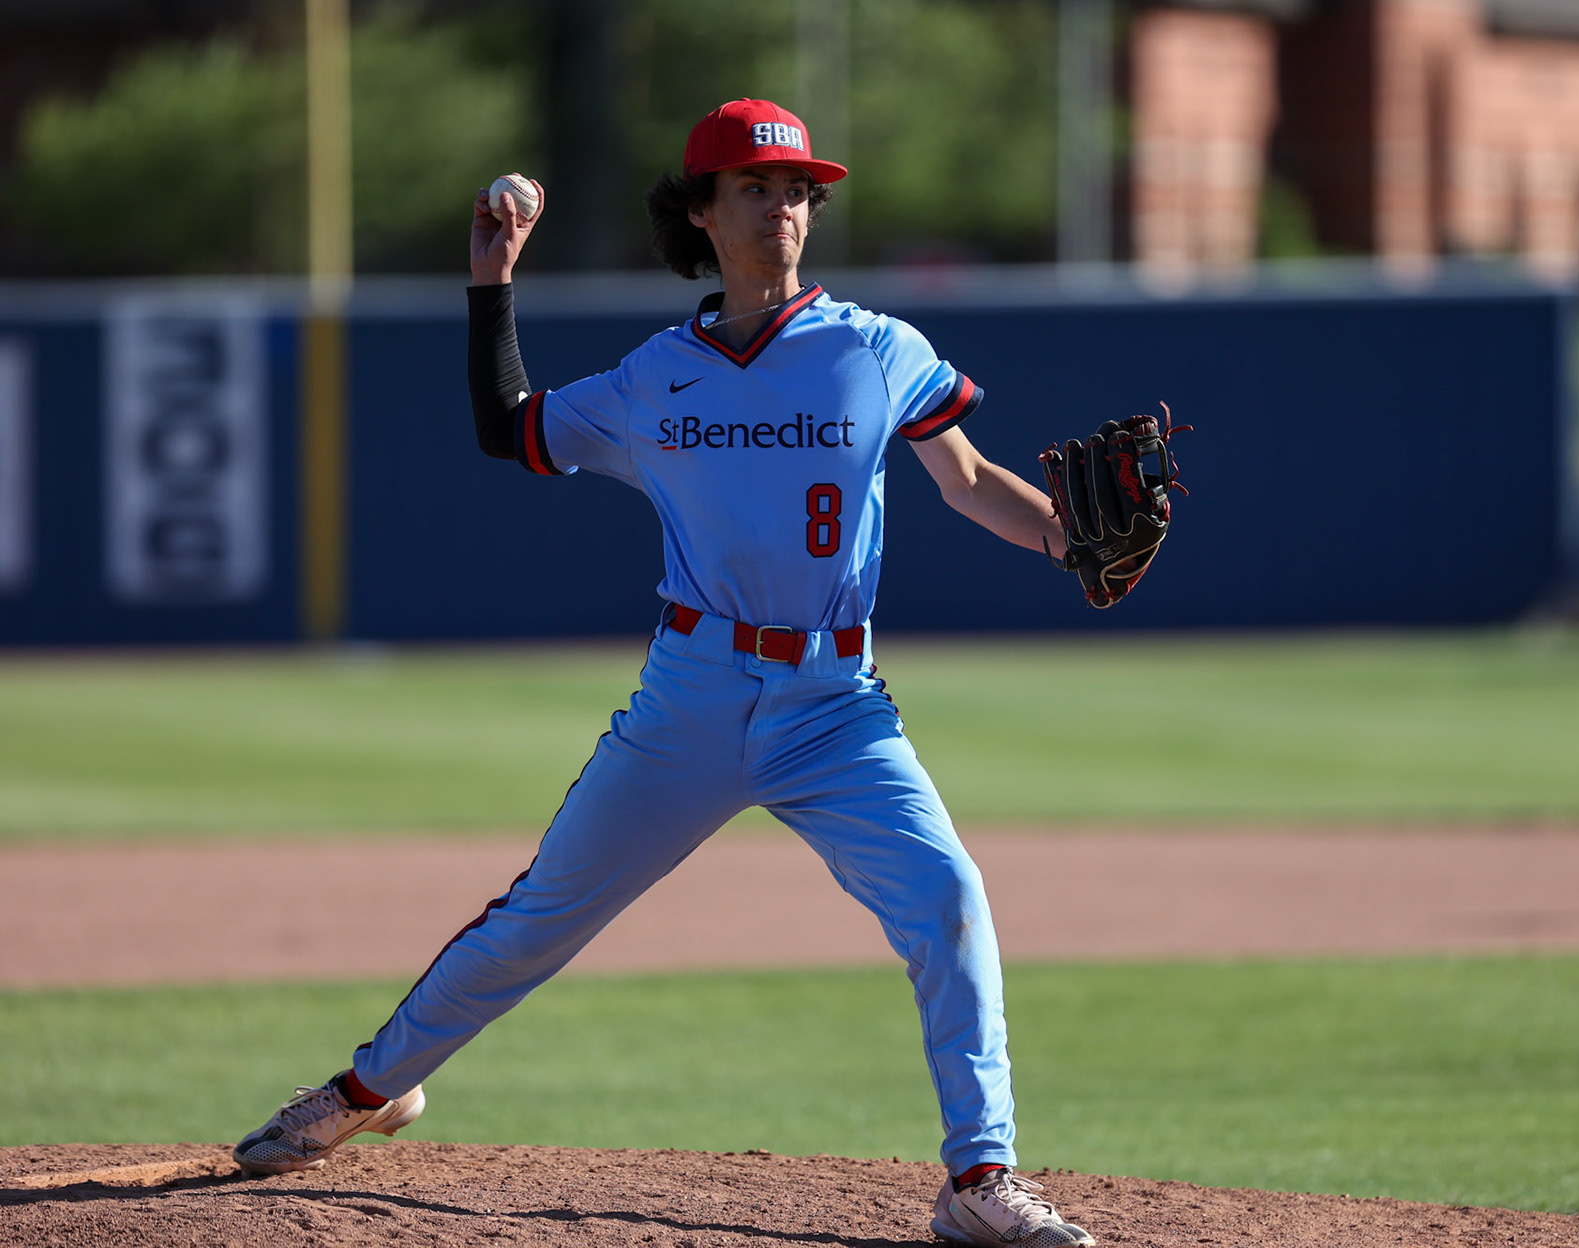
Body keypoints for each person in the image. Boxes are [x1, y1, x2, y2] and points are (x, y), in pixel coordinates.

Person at [232, 98, 1096, 1248]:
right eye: (755, 186)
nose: (785, 206)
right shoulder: (656, 378)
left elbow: (973, 476)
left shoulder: (879, 348)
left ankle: (979, 1176)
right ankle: (368, 1090)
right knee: (539, 917)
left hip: (837, 706)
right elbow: (513, 430)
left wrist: (1075, 542)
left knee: (950, 899)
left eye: (798, 190)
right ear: (701, 210)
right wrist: (492, 279)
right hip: (692, 694)